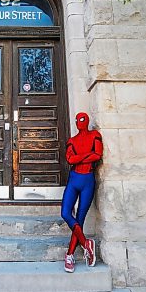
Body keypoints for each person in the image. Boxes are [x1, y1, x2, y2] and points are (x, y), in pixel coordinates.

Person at [61, 112, 103, 273]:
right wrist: (88, 155)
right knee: (65, 213)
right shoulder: (72, 140)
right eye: (77, 120)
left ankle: (69, 255)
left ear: (87, 121)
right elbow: (70, 160)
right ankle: (86, 244)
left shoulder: (95, 135)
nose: (80, 122)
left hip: (87, 180)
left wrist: (80, 156)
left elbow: (97, 155)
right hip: (74, 179)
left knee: (80, 218)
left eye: (82, 119)